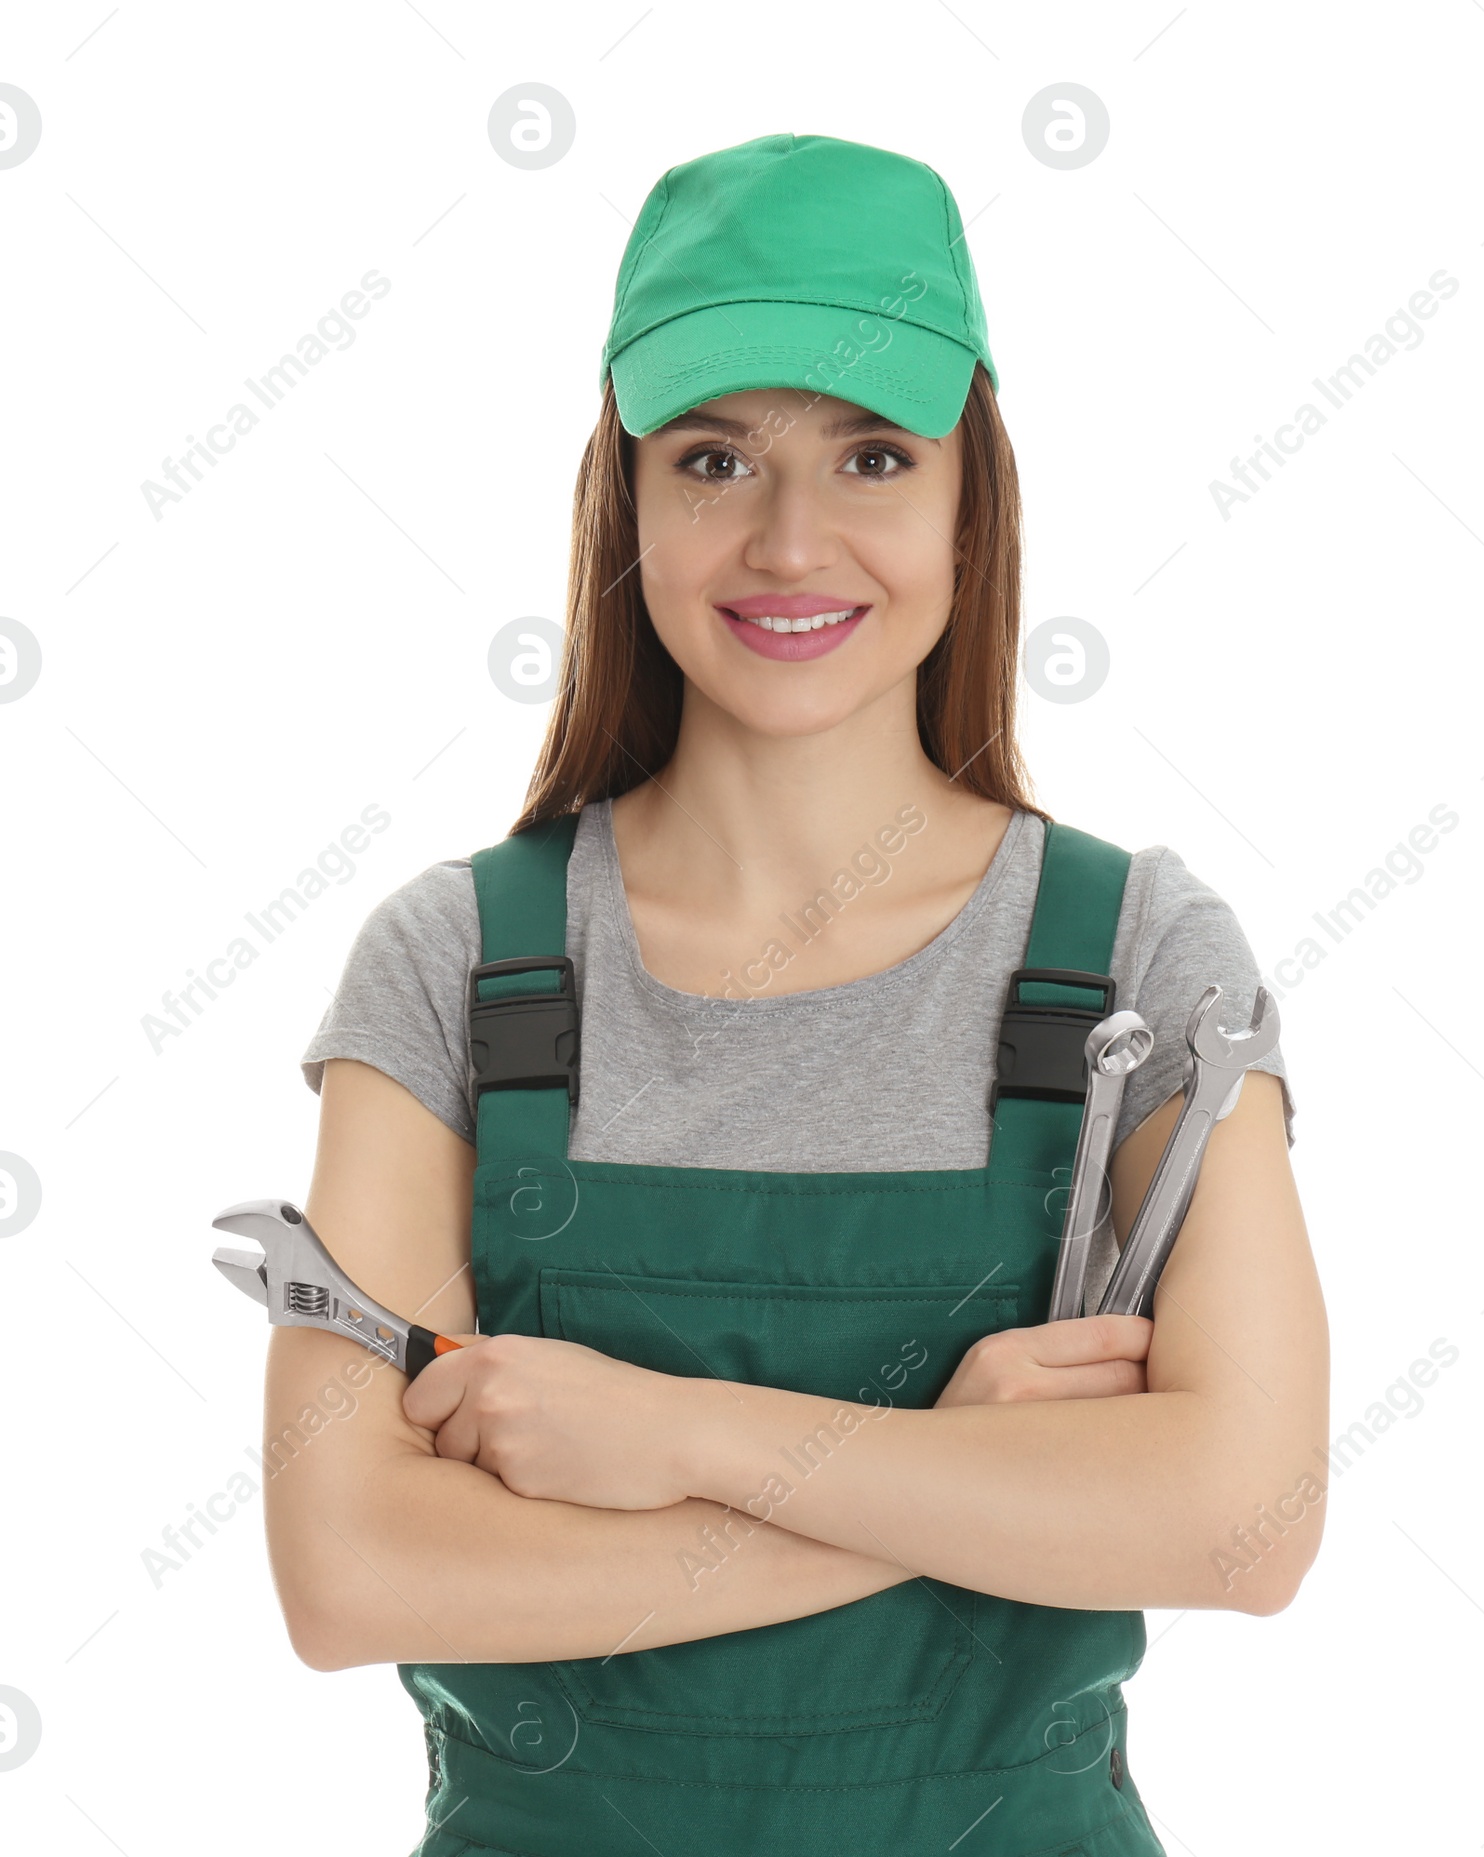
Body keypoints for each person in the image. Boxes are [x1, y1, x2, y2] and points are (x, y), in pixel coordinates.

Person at [268, 133, 1328, 1857]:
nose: (789, 540)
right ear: (629, 502)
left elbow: (1243, 1524)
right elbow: (348, 1568)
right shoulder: (457, 965)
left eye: (871, 455)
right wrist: (954, 1485)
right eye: (713, 459)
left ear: (966, 498)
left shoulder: (1137, 952)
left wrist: (667, 1430)